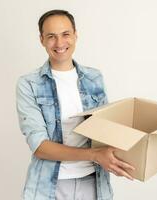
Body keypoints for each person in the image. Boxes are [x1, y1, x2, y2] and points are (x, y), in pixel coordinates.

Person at [16, 10, 135, 200]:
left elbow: (106, 131)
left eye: (65, 34)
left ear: (75, 35)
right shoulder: (29, 84)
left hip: (94, 184)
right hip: (49, 187)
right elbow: (39, 146)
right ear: (41, 40)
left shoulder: (94, 78)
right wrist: (95, 155)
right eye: (51, 37)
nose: (60, 43)